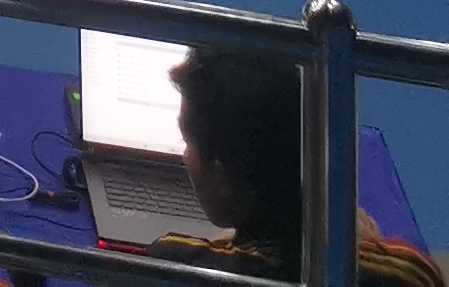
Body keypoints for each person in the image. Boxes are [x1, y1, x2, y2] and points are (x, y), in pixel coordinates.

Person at [162, 43, 443, 287]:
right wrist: (368, 247)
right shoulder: (406, 275)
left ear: (221, 174)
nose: (185, 157)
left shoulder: (173, 265)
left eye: (188, 142)